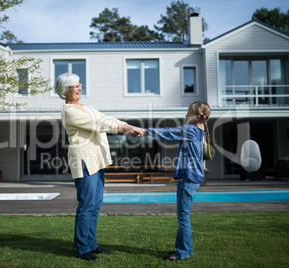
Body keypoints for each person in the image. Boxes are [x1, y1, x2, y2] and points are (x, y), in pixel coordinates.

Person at [55, 73, 146, 261]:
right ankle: (82, 248)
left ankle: (91, 244)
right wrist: (128, 128)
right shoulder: (69, 111)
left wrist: (126, 127)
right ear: (65, 90)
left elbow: (107, 118)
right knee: (87, 204)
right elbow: (99, 124)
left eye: (80, 85)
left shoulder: (86, 107)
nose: (80, 88)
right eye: (76, 86)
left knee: (95, 204)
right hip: (84, 160)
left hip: (97, 160)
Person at [146, 101, 211, 261]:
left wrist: (146, 130)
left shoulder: (191, 129)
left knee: (183, 216)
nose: (185, 115)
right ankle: (185, 248)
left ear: (196, 117)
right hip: (193, 176)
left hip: (188, 177)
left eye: (188, 113)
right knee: (184, 215)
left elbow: (169, 133)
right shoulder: (200, 130)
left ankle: (183, 252)